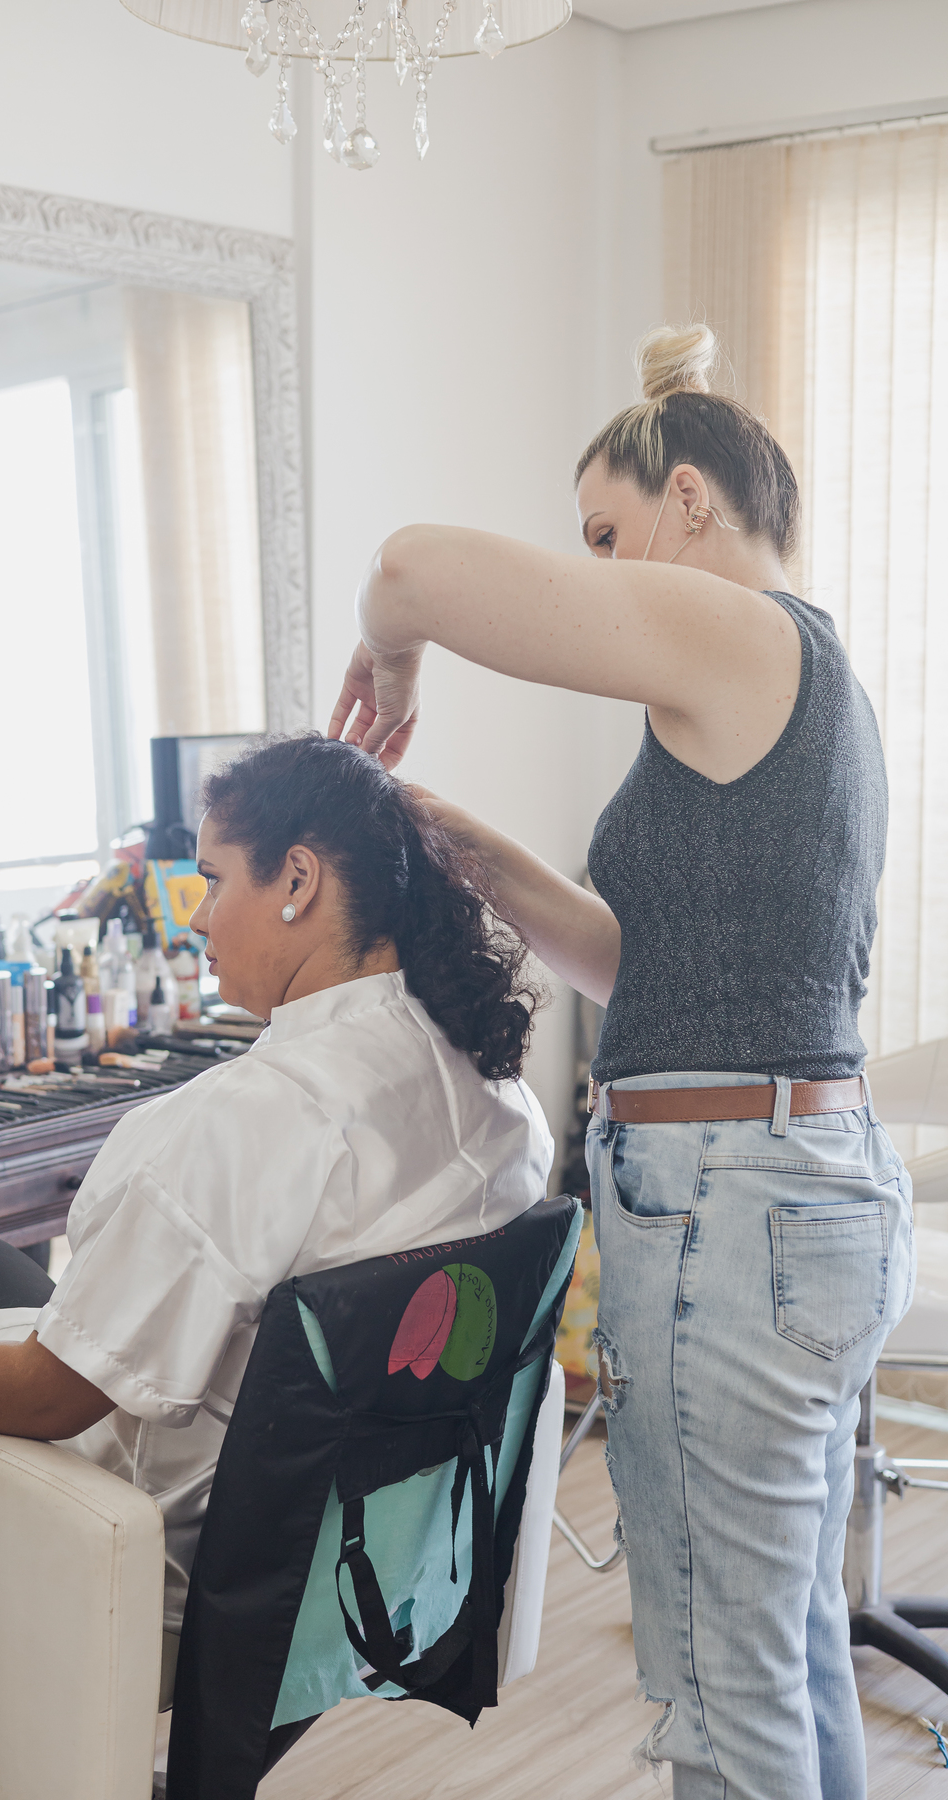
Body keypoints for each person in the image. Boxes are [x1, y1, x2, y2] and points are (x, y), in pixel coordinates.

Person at [327, 323, 913, 1800]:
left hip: (731, 1205)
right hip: (792, 1187)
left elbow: (406, 568)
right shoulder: (800, 685)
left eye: (606, 536)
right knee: (780, 1664)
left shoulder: (744, 635)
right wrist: (466, 843)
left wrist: (389, 660)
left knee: (722, 1693)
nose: (594, 566)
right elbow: (641, 975)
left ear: (693, 501)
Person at [0, 734, 553, 1660]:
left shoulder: (258, 1116)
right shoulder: (495, 1092)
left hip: (172, 1554)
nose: (197, 918)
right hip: (370, 1546)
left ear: (296, 880)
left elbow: (50, 1399)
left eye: (211, 880)